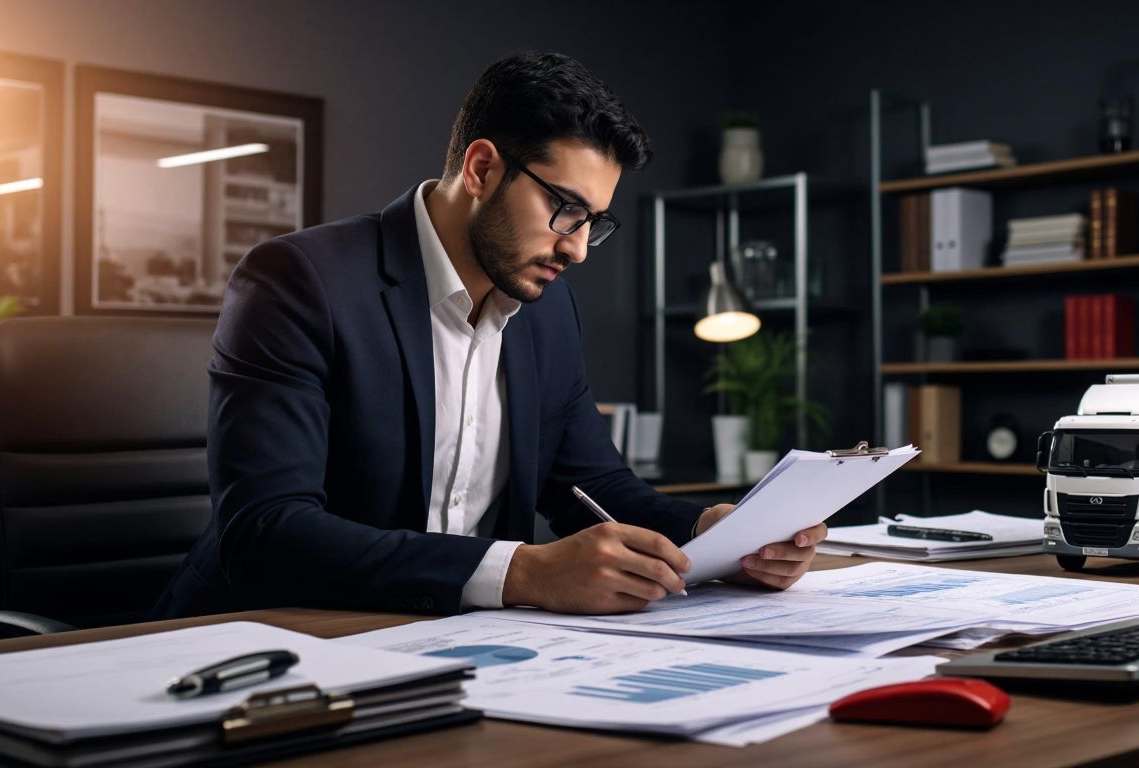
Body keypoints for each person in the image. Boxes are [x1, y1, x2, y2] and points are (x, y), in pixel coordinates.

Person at [152, 51, 826, 620]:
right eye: (566, 209)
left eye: (596, 221)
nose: (580, 249)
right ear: (480, 169)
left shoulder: (547, 311)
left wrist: (714, 536)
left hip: (461, 652)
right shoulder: (300, 282)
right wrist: (523, 574)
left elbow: (591, 487)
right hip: (268, 642)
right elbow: (267, 533)